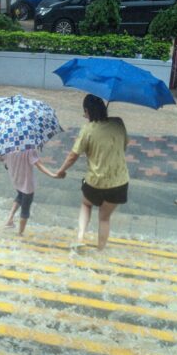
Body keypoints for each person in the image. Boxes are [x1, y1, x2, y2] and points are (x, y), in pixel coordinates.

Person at [55, 94, 129, 250]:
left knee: (86, 204)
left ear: (87, 111)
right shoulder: (118, 123)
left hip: (94, 182)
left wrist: (61, 171)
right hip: (119, 184)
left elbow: (72, 156)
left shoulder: (87, 129)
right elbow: (124, 145)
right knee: (104, 219)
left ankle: (80, 237)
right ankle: (100, 250)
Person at [2, 148, 59, 235]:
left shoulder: (8, 149)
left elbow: (3, 161)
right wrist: (53, 175)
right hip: (27, 185)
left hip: (16, 180)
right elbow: (39, 165)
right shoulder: (29, 150)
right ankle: (20, 234)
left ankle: (9, 220)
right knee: (25, 210)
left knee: (20, 196)